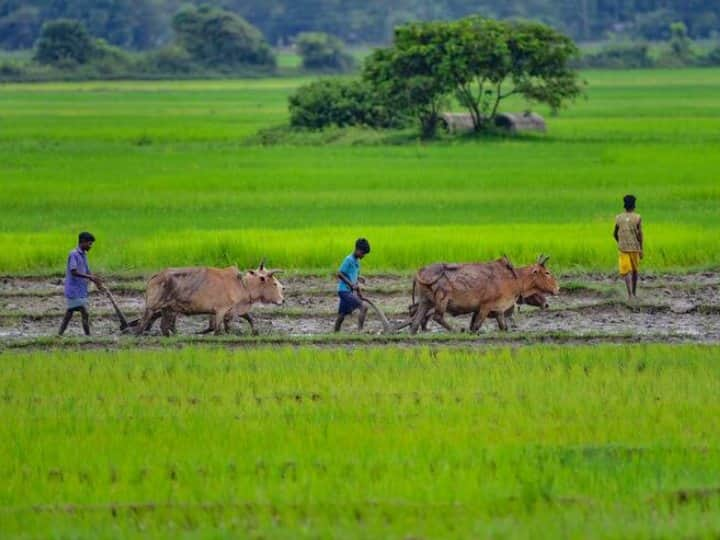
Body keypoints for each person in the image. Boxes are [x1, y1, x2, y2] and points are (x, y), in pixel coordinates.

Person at [58, 232, 104, 336]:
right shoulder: (73, 254)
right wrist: (90, 277)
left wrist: (96, 281)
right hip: (74, 289)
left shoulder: (84, 255)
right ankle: (88, 336)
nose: (90, 246)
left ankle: (59, 334)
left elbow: (88, 271)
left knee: (69, 313)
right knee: (84, 312)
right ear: (82, 242)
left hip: (80, 290)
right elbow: (73, 271)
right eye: (89, 243)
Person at [334, 238, 371, 332]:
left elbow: (354, 277)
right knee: (364, 307)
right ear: (357, 249)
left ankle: (335, 333)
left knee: (342, 314)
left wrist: (359, 279)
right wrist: (351, 284)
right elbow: (340, 273)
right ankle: (360, 331)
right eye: (363, 253)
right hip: (344, 291)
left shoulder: (357, 262)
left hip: (347, 291)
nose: (363, 256)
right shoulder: (348, 260)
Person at [613, 195, 643, 300]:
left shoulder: (618, 218)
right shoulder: (638, 217)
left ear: (624, 205)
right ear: (634, 205)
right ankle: (633, 293)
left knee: (626, 271)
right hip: (634, 248)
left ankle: (630, 295)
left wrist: (620, 242)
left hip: (623, 248)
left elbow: (614, 234)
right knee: (634, 271)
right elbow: (640, 235)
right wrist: (641, 249)